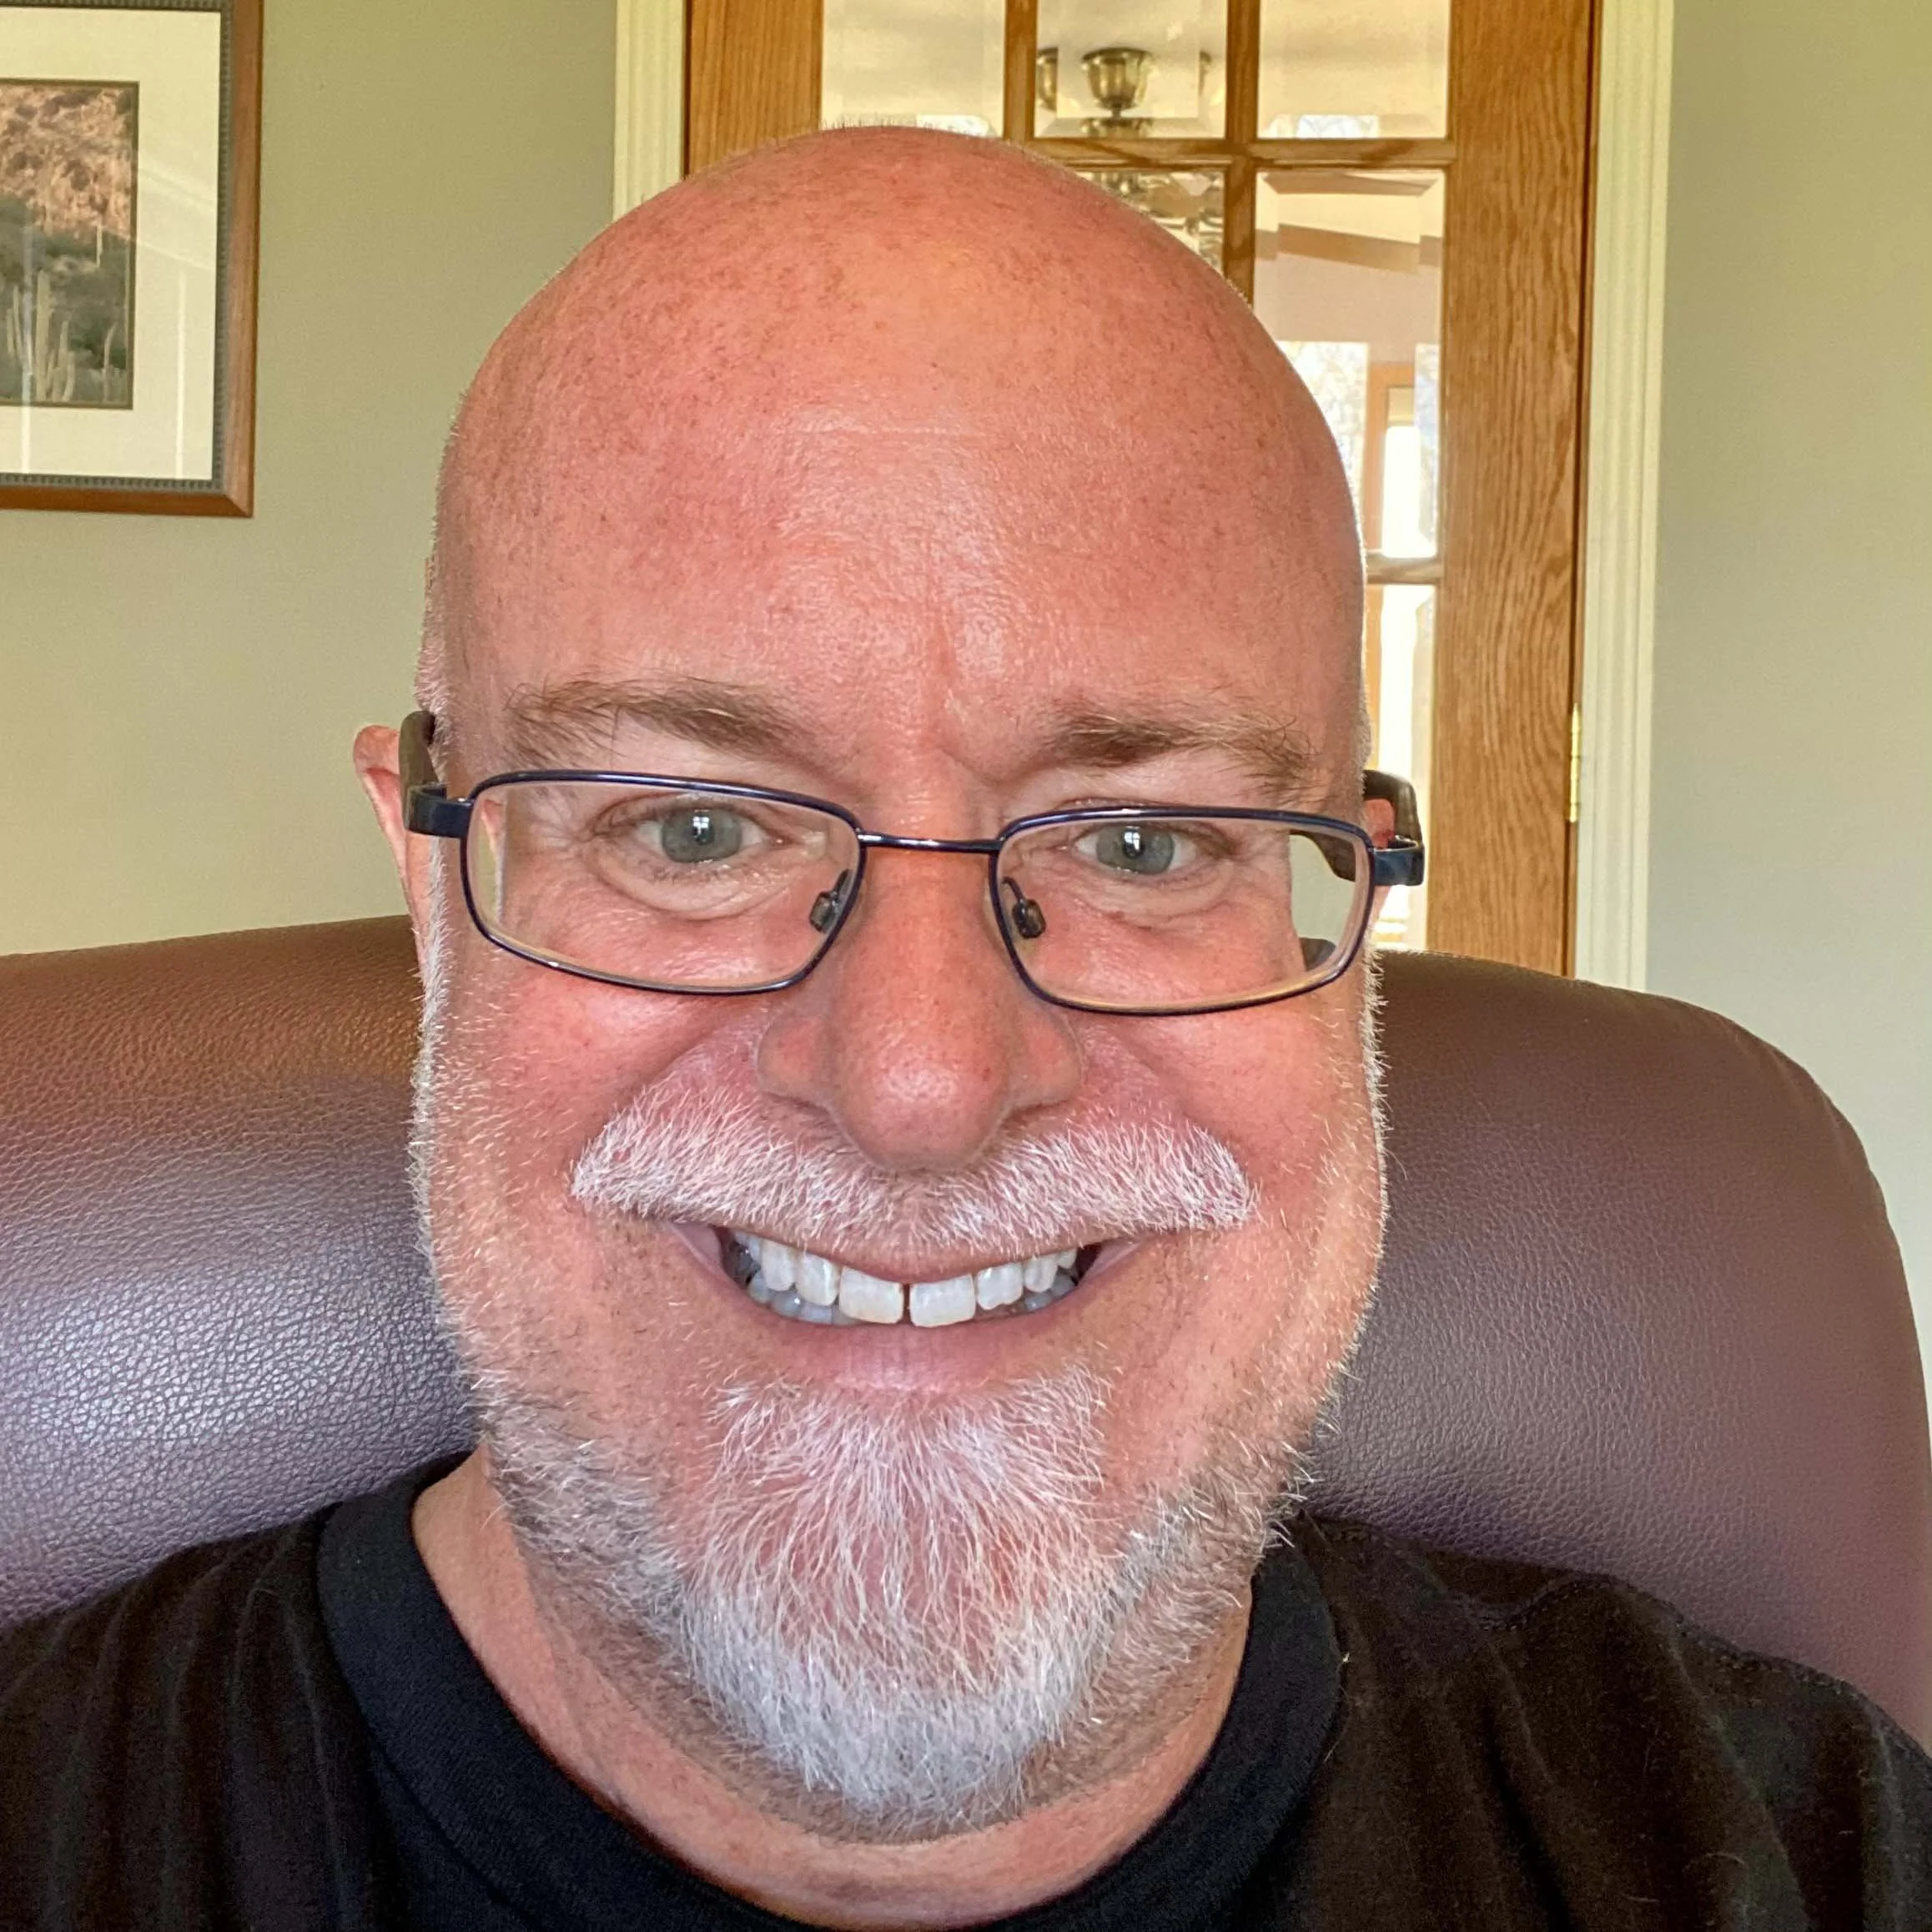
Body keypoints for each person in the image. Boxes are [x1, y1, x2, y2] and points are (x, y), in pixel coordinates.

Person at [2, 128, 1928, 1931]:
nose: (922, 1085)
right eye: (693, 828)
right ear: (438, 898)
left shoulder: (1791, 1846)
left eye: (1149, 837)